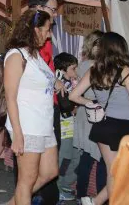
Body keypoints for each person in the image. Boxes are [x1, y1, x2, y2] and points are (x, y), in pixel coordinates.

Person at [69, 32, 129, 205]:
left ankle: (94, 202)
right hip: (126, 129)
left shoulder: (94, 70)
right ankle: (97, 202)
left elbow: (73, 96)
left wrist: (91, 103)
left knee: (115, 173)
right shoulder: (124, 70)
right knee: (121, 174)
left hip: (103, 126)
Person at [3, 9, 58, 205]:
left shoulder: (34, 55)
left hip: (43, 123)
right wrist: (18, 135)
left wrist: (57, 83)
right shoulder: (16, 56)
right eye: (46, 29)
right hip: (27, 125)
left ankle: (12, 203)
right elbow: (10, 97)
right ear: (35, 30)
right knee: (26, 180)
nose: (49, 34)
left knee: (50, 171)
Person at [24, 0, 64, 205]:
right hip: (34, 112)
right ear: (38, 9)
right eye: (52, 9)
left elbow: (46, 65)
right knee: (28, 171)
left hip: (49, 107)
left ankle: (27, 197)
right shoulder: (25, 41)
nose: (55, 15)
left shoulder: (43, 36)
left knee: (48, 169)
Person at [73, 30, 107, 200]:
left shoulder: (82, 65)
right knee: (100, 160)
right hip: (93, 113)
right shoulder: (97, 66)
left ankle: (81, 195)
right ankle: (99, 199)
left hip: (83, 113)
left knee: (86, 158)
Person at [53, 52, 79, 201]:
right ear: (63, 69)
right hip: (63, 127)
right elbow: (64, 105)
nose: (75, 72)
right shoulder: (59, 82)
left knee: (74, 156)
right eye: (73, 69)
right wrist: (74, 105)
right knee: (64, 158)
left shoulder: (68, 82)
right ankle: (59, 187)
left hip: (70, 126)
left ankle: (65, 184)